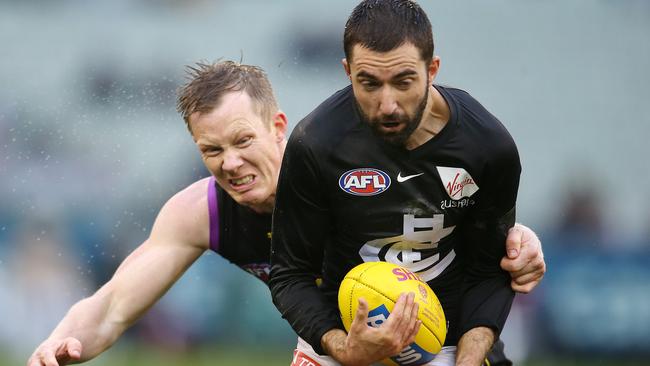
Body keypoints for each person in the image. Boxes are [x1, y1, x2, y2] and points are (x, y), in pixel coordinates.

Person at [27, 61, 544, 366]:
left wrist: (522, 241)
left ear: (278, 127)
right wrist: (55, 346)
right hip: (338, 349)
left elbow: (467, 209)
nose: (230, 163)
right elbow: (112, 305)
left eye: (243, 140)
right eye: (211, 150)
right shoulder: (200, 212)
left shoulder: (351, 173)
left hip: (450, 350)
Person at [268, 1, 537, 366]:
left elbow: (489, 269)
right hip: (344, 336)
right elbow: (291, 274)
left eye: (403, 81)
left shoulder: (488, 146)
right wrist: (347, 349)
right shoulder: (315, 144)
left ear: (433, 69)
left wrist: (469, 359)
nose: (387, 104)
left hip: (451, 342)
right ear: (348, 72)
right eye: (369, 83)